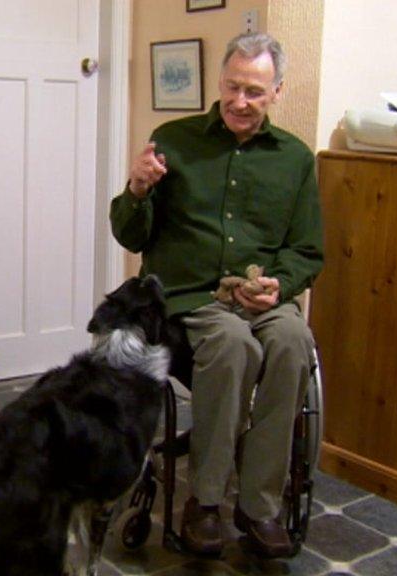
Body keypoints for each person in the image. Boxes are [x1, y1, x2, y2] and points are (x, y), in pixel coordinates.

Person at [109, 32, 323, 558]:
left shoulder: (294, 160)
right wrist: (136, 190)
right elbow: (130, 236)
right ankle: (204, 502)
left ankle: (259, 506)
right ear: (220, 82)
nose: (240, 101)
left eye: (254, 90)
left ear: (277, 92)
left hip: (261, 299)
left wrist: (281, 285)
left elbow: (307, 250)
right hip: (190, 300)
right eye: (232, 87)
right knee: (234, 344)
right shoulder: (173, 141)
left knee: (295, 340)